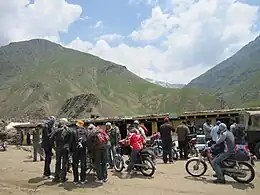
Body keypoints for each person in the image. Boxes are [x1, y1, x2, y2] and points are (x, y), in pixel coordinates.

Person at [50, 118, 73, 183]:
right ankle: (63, 178)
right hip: (65, 149)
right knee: (64, 163)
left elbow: (51, 138)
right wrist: (69, 147)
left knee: (58, 162)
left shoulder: (57, 130)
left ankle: (56, 177)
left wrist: (53, 146)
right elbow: (71, 140)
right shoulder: (69, 130)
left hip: (58, 148)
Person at [71, 120, 87, 184]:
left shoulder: (74, 131)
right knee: (83, 165)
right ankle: (83, 180)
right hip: (83, 150)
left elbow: (71, 142)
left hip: (75, 150)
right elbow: (87, 141)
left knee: (75, 164)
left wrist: (71, 150)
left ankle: (76, 180)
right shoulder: (85, 131)